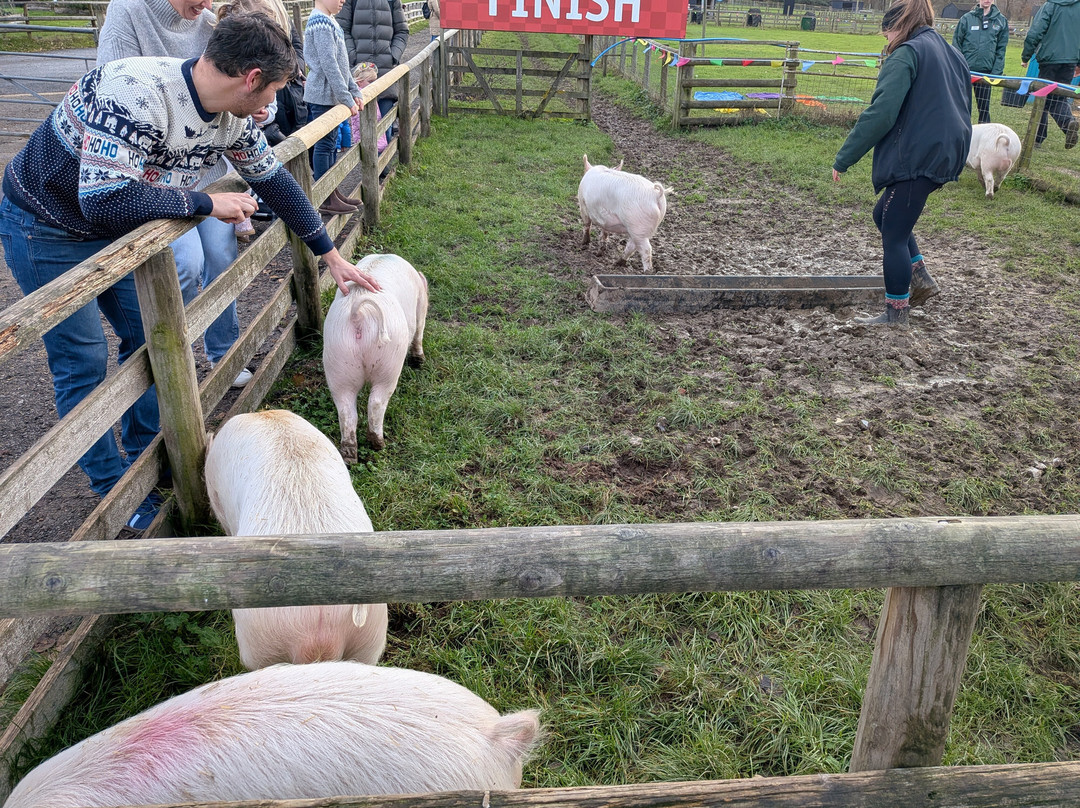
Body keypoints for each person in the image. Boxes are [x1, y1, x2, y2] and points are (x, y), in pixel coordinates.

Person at [0, 13, 380, 530]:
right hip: (45, 223)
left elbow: (275, 182)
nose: (271, 107)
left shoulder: (234, 119)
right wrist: (206, 202)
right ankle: (114, 490)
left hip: (113, 229)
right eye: (270, 93)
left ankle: (145, 460)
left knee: (152, 338)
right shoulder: (134, 93)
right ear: (249, 78)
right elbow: (104, 201)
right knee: (83, 358)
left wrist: (328, 254)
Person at [97, 0, 253, 388]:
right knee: (184, 264)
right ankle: (175, 360)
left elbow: (229, 86)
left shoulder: (208, 22)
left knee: (221, 256)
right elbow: (112, 87)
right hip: (155, 178)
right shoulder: (128, 13)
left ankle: (224, 355)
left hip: (207, 170)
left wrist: (250, 107)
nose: (208, 4)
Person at [832, 0, 971, 327]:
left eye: (887, 35)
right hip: (947, 149)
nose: (887, 42)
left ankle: (896, 314)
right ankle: (920, 275)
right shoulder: (951, 52)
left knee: (893, 232)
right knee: (884, 214)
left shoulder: (908, 52)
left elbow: (881, 113)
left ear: (898, 26)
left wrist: (845, 157)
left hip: (919, 152)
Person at [305, 0, 365, 215]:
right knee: (325, 144)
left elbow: (342, 63)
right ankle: (325, 195)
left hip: (332, 95)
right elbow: (329, 64)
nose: (343, 1)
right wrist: (346, 97)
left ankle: (332, 191)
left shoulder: (330, 21)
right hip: (322, 95)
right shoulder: (319, 22)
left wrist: (354, 92)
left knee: (331, 144)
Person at [336, 0, 409, 147]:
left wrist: (393, 55)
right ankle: (374, 168)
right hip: (361, 76)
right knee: (364, 129)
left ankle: (384, 167)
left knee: (385, 126)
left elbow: (402, 31)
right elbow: (341, 28)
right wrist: (353, 56)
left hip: (385, 74)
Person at [1021, 0, 1080, 149]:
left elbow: (1035, 31)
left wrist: (1026, 55)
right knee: (1059, 97)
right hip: (1070, 60)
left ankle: (1037, 138)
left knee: (1043, 96)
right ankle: (1068, 124)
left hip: (1050, 58)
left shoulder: (1051, 5)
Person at [952, 0, 1009, 124]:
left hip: (986, 73)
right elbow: (956, 44)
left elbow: (1001, 49)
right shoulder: (966, 19)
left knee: (984, 108)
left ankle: (985, 134)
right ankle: (961, 132)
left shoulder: (1001, 21)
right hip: (966, 71)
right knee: (961, 106)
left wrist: (996, 72)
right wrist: (958, 67)